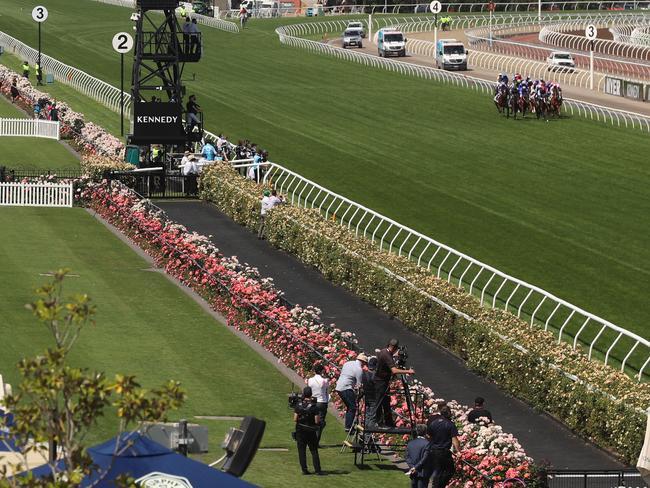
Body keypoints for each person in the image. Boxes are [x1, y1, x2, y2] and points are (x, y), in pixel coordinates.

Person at [368, 339, 414, 428]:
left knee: (385, 402)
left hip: (380, 381)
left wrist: (393, 355)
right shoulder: (386, 355)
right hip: (381, 382)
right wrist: (408, 371)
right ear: (394, 347)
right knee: (380, 402)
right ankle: (379, 423)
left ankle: (388, 423)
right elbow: (394, 370)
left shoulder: (383, 351)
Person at [413, 405, 461, 488]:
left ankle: (437, 485)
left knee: (438, 471)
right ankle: (438, 486)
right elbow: (454, 440)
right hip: (443, 451)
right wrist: (458, 451)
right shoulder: (450, 424)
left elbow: (428, 435)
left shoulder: (433, 423)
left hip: (433, 450)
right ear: (448, 413)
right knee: (450, 470)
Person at [293, 387, 322, 475]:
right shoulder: (314, 407)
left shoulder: (298, 405)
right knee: (313, 450)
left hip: (300, 430)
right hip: (310, 431)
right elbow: (317, 421)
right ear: (311, 394)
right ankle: (317, 470)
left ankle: (304, 470)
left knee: (301, 451)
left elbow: (295, 419)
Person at [334, 353, 368, 431]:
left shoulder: (348, 363)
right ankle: (348, 427)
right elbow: (359, 385)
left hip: (339, 386)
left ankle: (348, 426)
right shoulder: (359, 369)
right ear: (363, 362)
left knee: (350, 407)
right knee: (352, 407)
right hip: (346, 388)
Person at [307, 364, 329, 443]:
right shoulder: (325, 380)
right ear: (321, 371)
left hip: (313, 401)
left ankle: (311, 440)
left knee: (312, 421)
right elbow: (326, 391)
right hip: (322, 402)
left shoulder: (310, 380)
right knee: (320, 422)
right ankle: (315, 441)